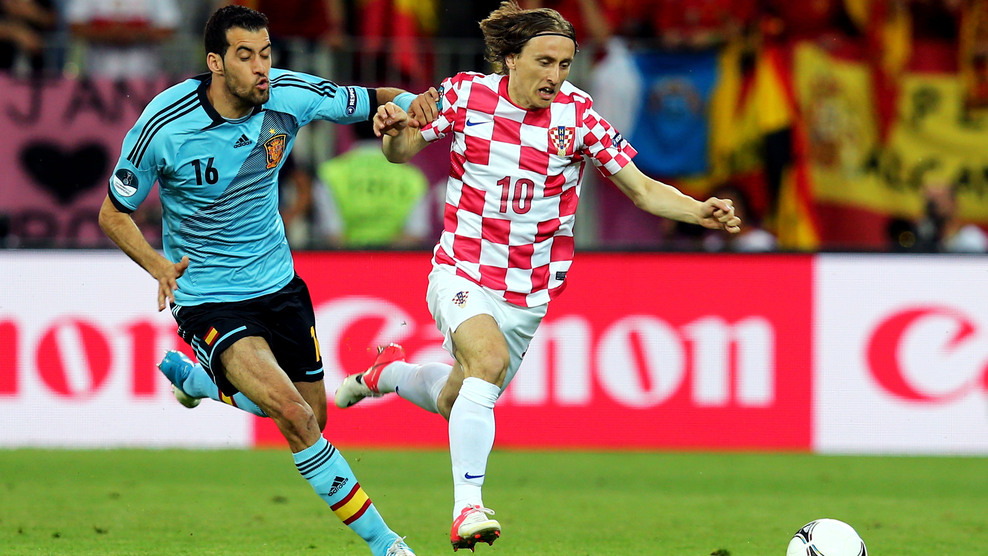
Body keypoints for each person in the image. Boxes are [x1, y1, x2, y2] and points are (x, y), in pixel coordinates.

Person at [333, 1, 741, 551]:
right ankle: (468, 508)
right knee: (487, 361)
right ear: (510, 58)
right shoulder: (465, 96)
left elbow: (643, 189)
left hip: (527, 294)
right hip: (461, 269)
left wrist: (699, 210)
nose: (555, 75)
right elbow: (402, 149)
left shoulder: (580, 116)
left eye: (564, 64)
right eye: (544, 62)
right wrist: (391, 131)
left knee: (457, 399)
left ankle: (388, 374)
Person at [97, 5, 437, 555]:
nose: (261, 68)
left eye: (266, 53)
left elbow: (382, 96)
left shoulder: (289, 94)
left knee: (313, 419)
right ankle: (388, 545)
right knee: (295, 416)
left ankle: (200, 384)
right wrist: (158, 265)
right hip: (208, 297)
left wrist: (407, 109)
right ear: (215, 62)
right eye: (245, 56)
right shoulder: (165, 124)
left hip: (279, 285)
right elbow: (113, 213)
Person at [316, 119, 432, 248]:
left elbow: (333, 235)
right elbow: (415, 233)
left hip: (347, 259)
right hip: (395, 259)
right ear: (383, 129)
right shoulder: (412, 176)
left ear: (352, 128)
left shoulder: (330, 173)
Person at [66, 0, 181, 79]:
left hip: (145, 76)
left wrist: (134, 34)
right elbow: (75, 25)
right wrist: (109, 34)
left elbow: (169, 27)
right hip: (98, 76)